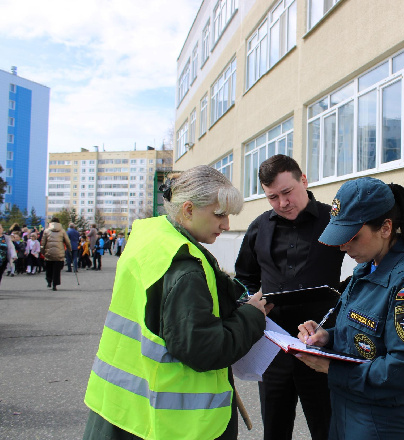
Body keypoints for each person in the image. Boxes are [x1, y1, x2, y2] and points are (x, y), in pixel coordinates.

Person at [82, 165, 272, 440]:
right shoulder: (186, 269)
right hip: (170, 424)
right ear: (188, 209)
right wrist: (252, 316)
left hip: (118, 408)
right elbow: (205, 348)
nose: (227, 225)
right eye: (219, 214)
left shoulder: (152, 239)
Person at [297, 177, 404, 440]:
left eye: (352, 237)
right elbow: (360, 333)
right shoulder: (366, 269)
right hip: (344, 410)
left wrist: (331, 368)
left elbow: (403, 369)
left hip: (379, 422)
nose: (342, 246)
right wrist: (327, 335)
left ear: (385, 228)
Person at [235, 155, 345, 440]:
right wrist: (250, 303)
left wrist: (344, 296)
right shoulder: (259, 227)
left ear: (304, 181)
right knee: (274, 430)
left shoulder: (335, 221)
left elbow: (364, 260)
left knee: (327, 430)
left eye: (287, 192)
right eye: (272, 197)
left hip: (321, 345)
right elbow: (244, 277)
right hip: (272, 350)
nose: (282, 203)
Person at [41, 217, 72, 291]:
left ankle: (49, 281)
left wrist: (43, 251)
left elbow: (43, 243)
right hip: (59, 253)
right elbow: (67, 242)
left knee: (49, 268)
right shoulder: (62, 231)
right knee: (57, 270)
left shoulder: (46, 231)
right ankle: (55, 284)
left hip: (49, 253)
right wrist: (69, 249)